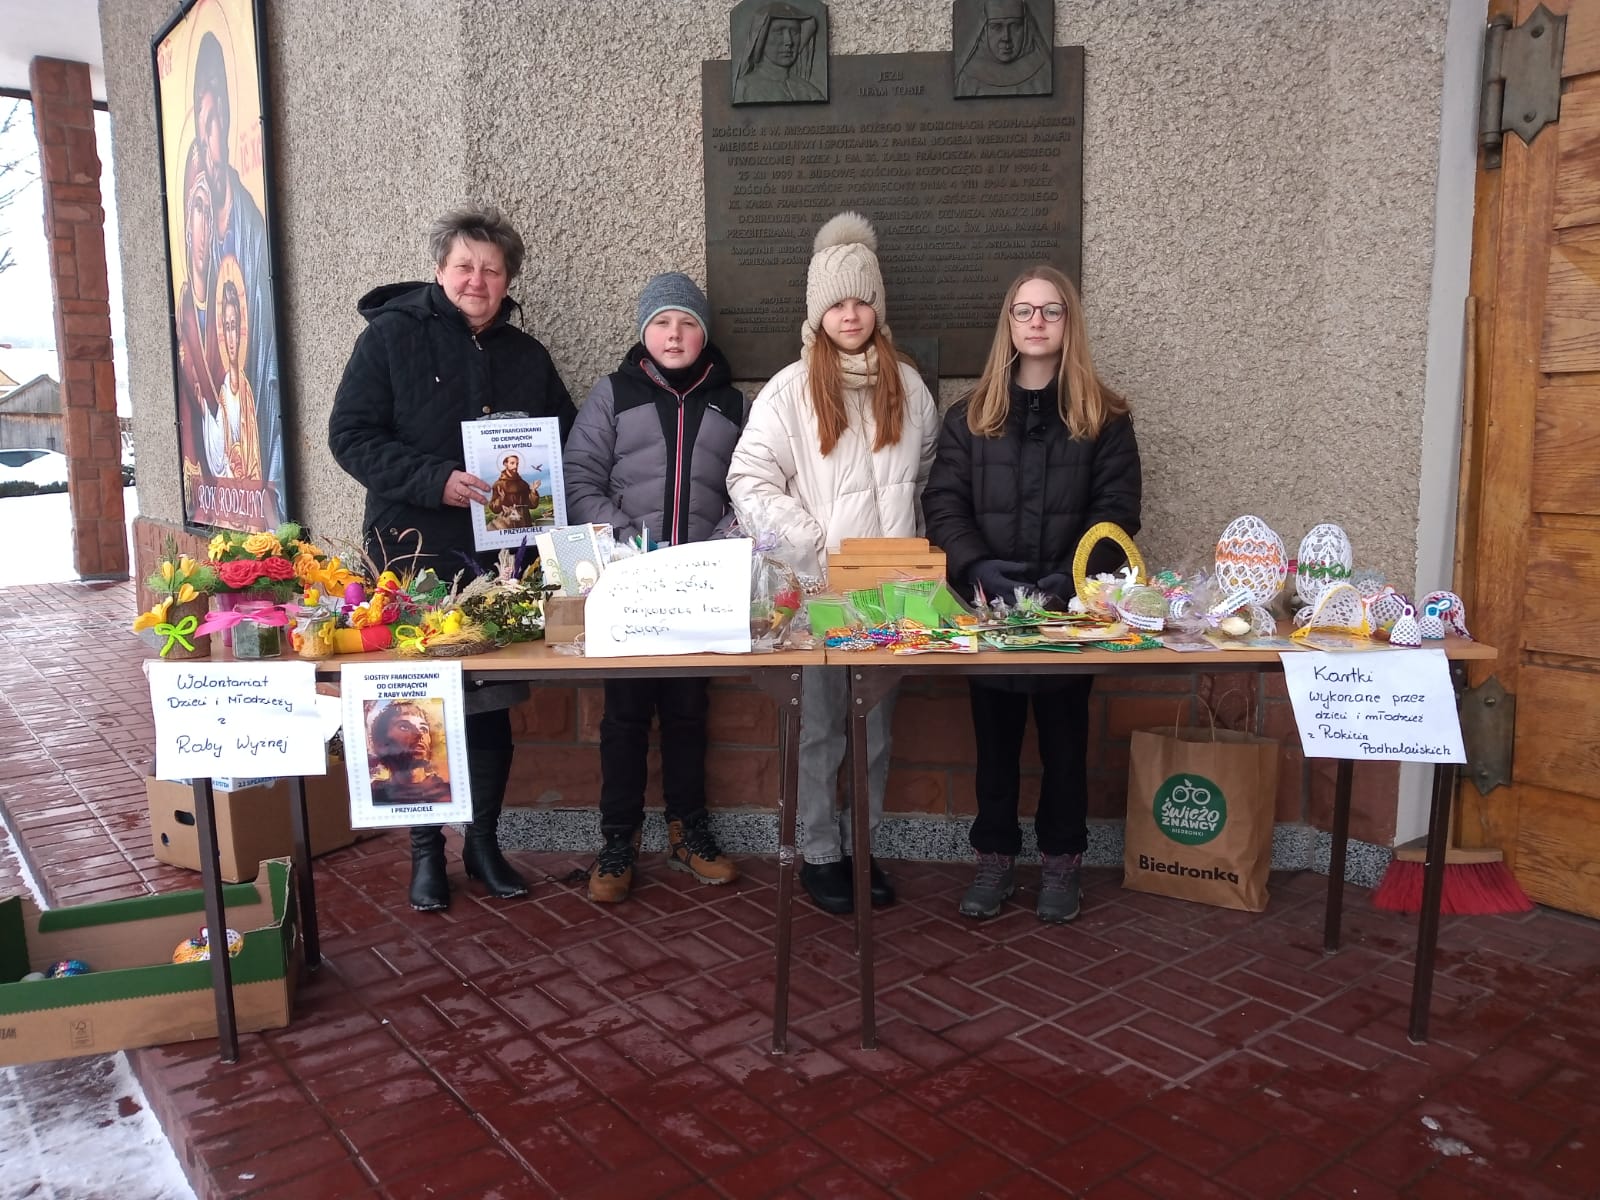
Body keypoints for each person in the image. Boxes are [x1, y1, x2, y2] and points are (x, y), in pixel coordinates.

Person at [329, 203, 576, 912]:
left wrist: (547, 505)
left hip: (496, 560)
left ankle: (483, 843)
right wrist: (433, 479)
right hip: (411, 553)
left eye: (491, 270)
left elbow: (557, 447)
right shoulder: (389, 340)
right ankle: (423, 853)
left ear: (507, 282)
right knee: (410, 707)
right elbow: (349, 436)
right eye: (465, 266)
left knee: (488, 705)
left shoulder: (527, 357)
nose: (477, 280)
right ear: (440, 270)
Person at [727, 212, 938, 915]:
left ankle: (864, 848)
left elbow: (926, 480)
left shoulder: (910, 390)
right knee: (819, 729)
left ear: (878, 306)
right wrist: (814, 541)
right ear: (818, 313)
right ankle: (820, 850)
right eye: (837, 303)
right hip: (816, 590)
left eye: (861, 300)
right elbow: (749, 481)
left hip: (893, 599)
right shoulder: (790, 391)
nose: (850, 315)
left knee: (873, 732)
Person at [922, 266, 1141, 923]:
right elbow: (945, 504)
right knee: (993, 746)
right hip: (989, 612)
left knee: (1065, 746)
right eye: (1024, 311)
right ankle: (995, 860)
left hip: (1068, 616)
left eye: (1050, 311)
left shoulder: (1105, 417)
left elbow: (1118, 512)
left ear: (1069, 322)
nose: (1037, 323)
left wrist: (1072, 580)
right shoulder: (972, 417)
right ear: (1009, 325)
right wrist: (978, 568)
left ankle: (1061, 864)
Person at [564, 273, 744, 903]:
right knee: (626, 716)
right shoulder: (614, 393)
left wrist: (721, 544)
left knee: (690, 710)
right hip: (629, 583)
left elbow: (742, 489)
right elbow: (579, 478)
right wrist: (626, 544)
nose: (675, 334)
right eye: (663, 323)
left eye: (687, 322)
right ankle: (618, 837)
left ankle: (688, 827)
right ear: (645, 333)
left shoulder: (729, 403)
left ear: (704, 333)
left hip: (697, 589)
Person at [193, 31, 285, 522]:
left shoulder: (250, 225)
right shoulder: (202, 223)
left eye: (220, 122)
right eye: (206, 124)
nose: (214, 138)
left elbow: (263, 347)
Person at [174, 143, 220, 507]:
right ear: (188, 224)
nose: (203, 225)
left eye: (209, 211)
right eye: (197, 211)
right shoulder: (186, 313)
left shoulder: (227, 308)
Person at [204, 275, 263, 481]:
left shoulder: (246, 391)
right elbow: (219, 456)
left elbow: (254, 459)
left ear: (241, 331)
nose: (231, 338)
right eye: (227, 327)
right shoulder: (223, 392)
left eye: (234, 326)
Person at [955, 0, 1053, 98]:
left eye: (1015, 26)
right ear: (984, 31)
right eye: (996, 27)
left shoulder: (1042, 73)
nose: (1006, 37)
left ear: (1026, 29)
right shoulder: (967, 78)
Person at [734, 3, 826, 103]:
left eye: (794, 32)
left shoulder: (811, 93)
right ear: (761, 38)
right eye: (779, 32)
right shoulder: (743, 89)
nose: (789, 41)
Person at [368, 701, 453, 808]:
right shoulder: (372, 795)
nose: (419, 734)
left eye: (423, 728)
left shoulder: (449, 793)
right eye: (404, 727)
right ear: (381, 743)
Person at [487, 453, 535, 529]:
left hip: (524, 519)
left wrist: (533, 492)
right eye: (512, 463)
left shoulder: (523, 484)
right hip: (507, 522)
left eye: (517, 464)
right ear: (505, 464)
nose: (515, 466)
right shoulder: (499, 484)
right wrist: (501, 498)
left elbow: (532, 505)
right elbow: (494, 509)